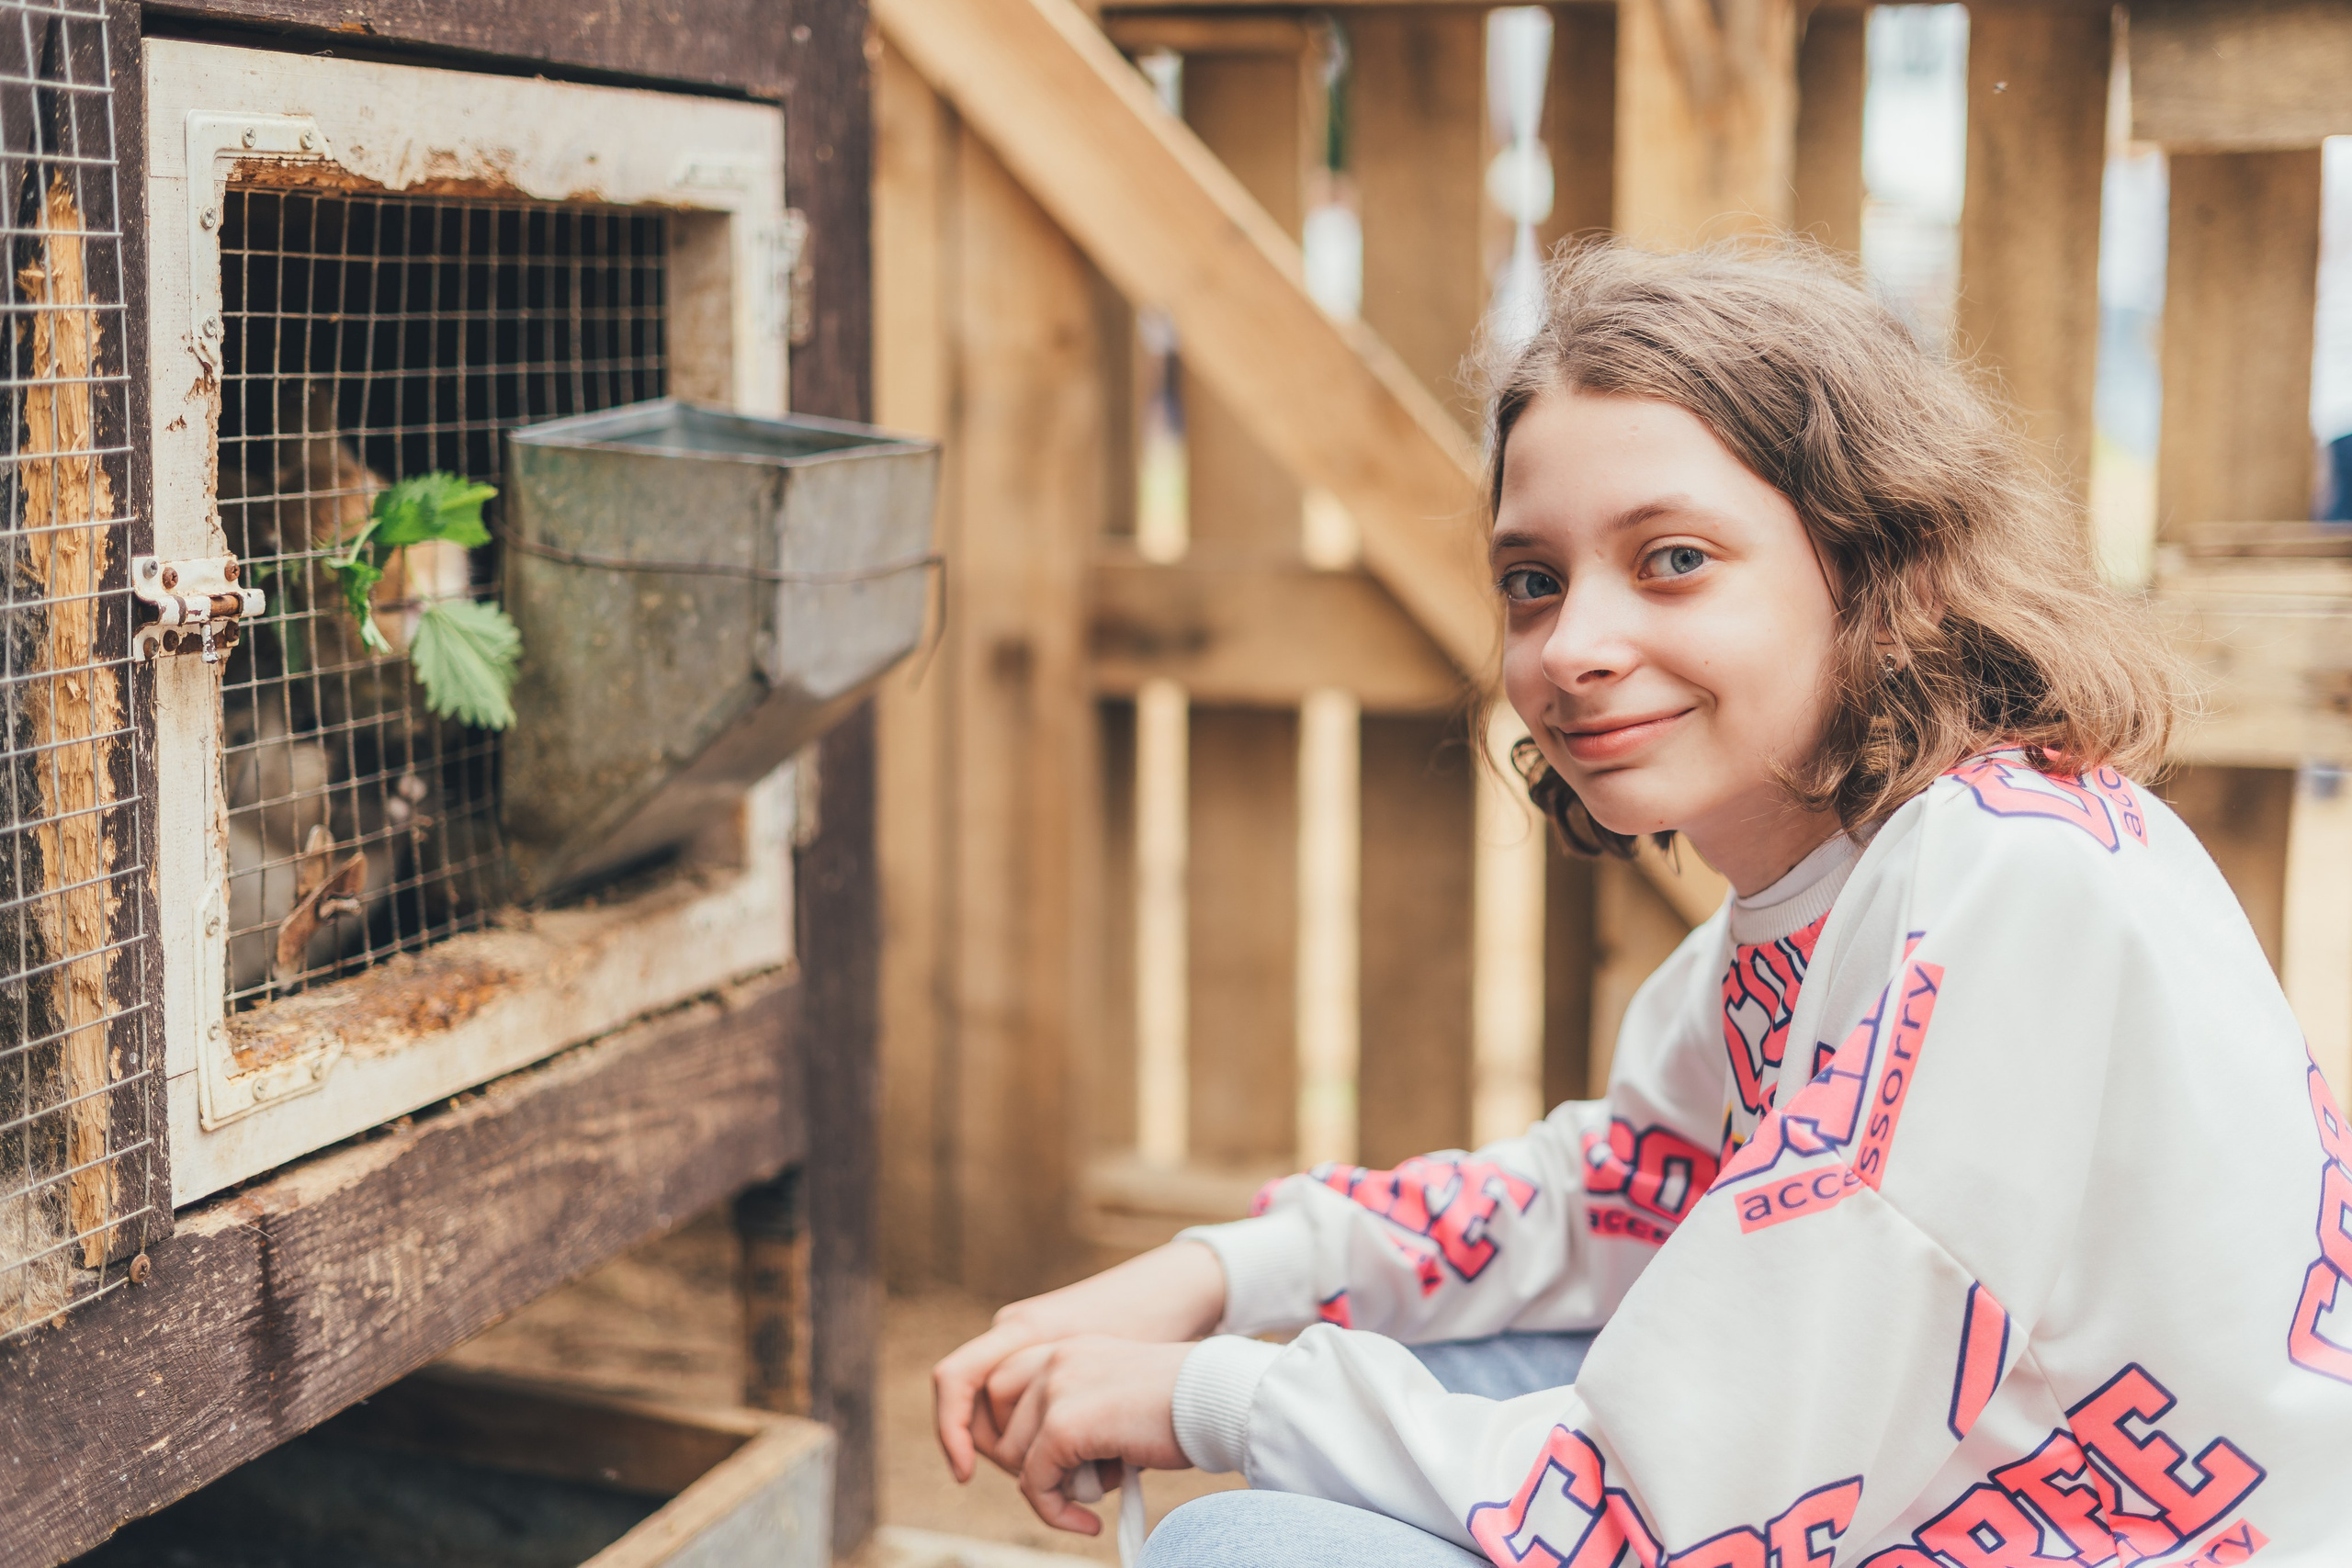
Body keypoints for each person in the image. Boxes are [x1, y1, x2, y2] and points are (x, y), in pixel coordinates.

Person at [930, 243, 2352, 1564]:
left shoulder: (2009, 884)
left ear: (1872, 563)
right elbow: (1613, 1192)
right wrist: (1217, 1274)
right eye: (1533, 582)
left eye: (1672, 559)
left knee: (1252, 1544)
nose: (1576, 647)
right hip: (1943, 1494)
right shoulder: (1831, 893)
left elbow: (1670, 1501)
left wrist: (1215, 1393)